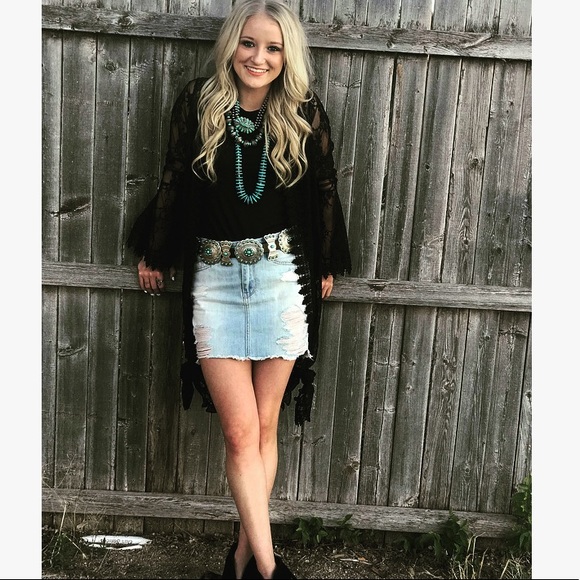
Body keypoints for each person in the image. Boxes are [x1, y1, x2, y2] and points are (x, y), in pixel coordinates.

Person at [127, 0, 351, 578]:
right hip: (215, 281)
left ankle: (244, 566)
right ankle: (271, 572)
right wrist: (157, 250)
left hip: (282, 277)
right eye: (249, 43)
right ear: (232, 45)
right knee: (239, 431)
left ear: (287, 56)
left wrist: (326, 261)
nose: (259, 57)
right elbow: (174, 178)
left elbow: (324, 188)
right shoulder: (199, 102)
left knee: (266, 427)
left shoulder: (303, 111)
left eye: (273, 48)